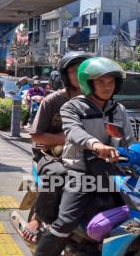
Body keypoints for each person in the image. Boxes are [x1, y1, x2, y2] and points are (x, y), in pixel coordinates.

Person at [34, 57, 135, 256]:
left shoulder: (118, 110)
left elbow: (130, 140)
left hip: (113, 170)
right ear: (89, 84)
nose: (107, 87)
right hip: (81, 171)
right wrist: (96, 145)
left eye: (111, 81)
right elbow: (74, 131)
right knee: (66, 221)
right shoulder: (72, 107)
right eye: (101, 82)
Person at [22, 51, 92, 244]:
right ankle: (38, 217)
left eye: (84, 71)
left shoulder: (100, 100)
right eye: (74, 71)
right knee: (58, 174)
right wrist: (65, 139)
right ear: (65, 75)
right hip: (51, 155)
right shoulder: (53, 101)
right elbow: (36, 136)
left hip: (90, 155)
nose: (79, 75)